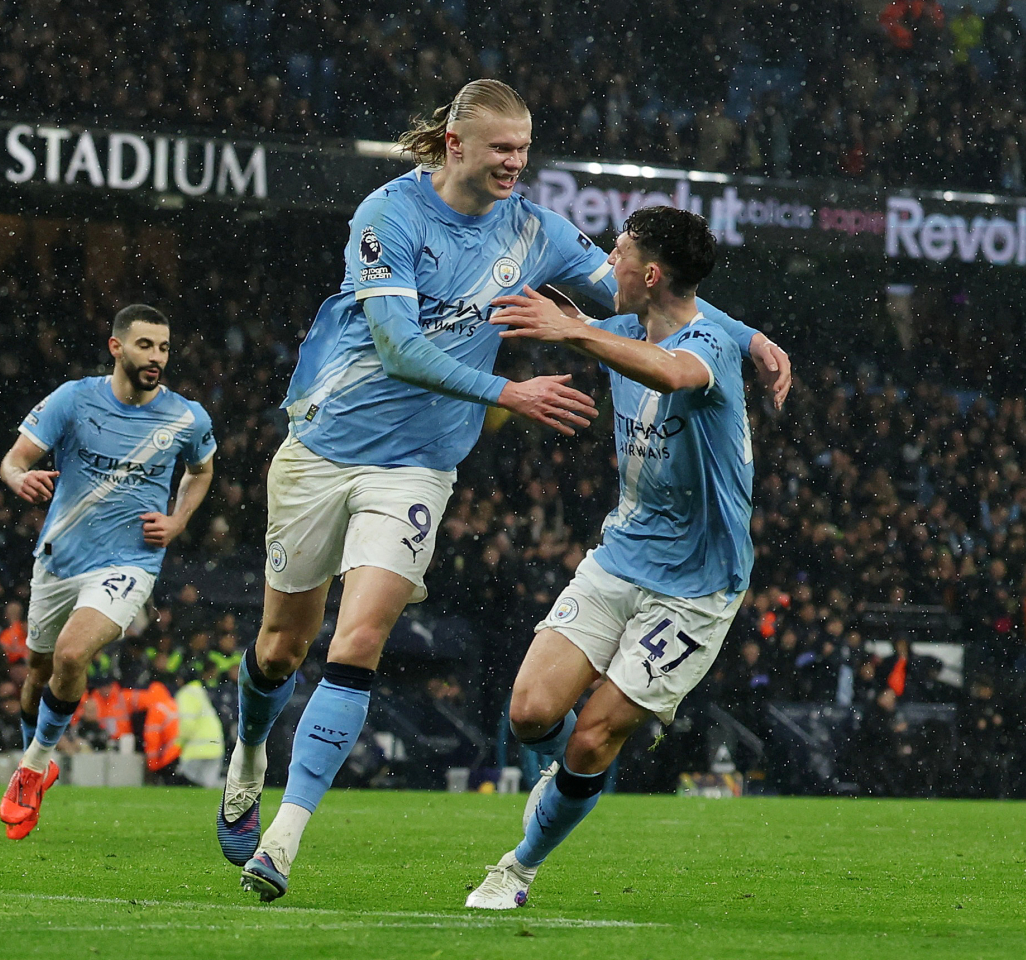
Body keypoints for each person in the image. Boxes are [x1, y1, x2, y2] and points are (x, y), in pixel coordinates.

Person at [221, 79, 789, 903]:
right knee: (280, 646)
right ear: (456, 145)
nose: (515, 164)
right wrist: (509, 395)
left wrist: (747, 333)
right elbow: (397, 348)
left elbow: (661, 300)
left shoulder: (537, 230)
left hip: (418, 465)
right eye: (501, 150)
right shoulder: (389, 216)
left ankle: (282, 841)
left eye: (524, 149)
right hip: (324, 447)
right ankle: (246, 757)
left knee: (359, 640)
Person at [462, 205, 754, 909]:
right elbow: (612, 323)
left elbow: (674, 374)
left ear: (650, 274)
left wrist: (575, 331)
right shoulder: (624, 323)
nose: (607, 264)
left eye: (618, 253)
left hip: (697, 585)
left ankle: (518, 868)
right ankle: (567, 778)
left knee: (593, 738)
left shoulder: (707, 343)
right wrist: (574, 324)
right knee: (530, 714)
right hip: (621, 556)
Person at [0, 304, 216, 839]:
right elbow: (12, 459)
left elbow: (202, 470)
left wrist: (178, 519)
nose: (157, 358)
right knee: (39, 673)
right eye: (146, 345)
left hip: (128, 563)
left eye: (164, 347)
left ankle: (30, 768)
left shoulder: (187, 417)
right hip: (58, 558)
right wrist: (17, 479)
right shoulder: (74, 399)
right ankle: (37, 754)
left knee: (74, 654)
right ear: (116, 347)